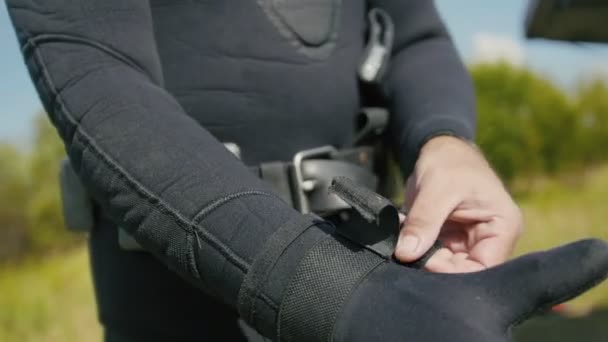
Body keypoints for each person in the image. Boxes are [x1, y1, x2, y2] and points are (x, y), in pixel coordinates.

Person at [6, 1, 608, 341]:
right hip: (181, 309)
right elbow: (99, 81)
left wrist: (445, 139)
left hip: (390, 277)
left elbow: (413, 35)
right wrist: (335, 294)